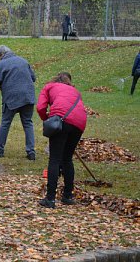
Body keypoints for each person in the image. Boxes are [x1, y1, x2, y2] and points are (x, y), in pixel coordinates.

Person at [36, 72, 87, 208]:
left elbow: (40, 107)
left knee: (55, 159)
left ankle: (50, 199)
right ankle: (67, 196)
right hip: (80, 123)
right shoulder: (75, 91)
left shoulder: (48, 87)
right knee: (67, 158)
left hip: (61, 120)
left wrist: (48, 120)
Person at [0, 45, 37, 160]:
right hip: (28, 97)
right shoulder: (23, 61)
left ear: (1, 55)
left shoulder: (1, 64)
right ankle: (31, 151)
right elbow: (33, 78)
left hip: (11, 99)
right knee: (28, 123)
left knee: (5, 123)